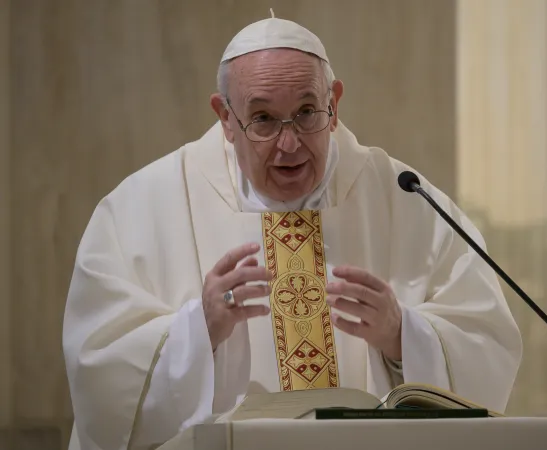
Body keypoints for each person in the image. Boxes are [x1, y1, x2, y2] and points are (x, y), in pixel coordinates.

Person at [62, 14, 522, 450]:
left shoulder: (404, 198)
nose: (289, 144)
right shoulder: (140, 209)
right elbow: (99, 375)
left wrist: (404, 336)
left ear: (334, 104)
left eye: (306, 113)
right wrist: (197, 330)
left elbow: (486, 342)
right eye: (263, 119)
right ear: (225, 117)